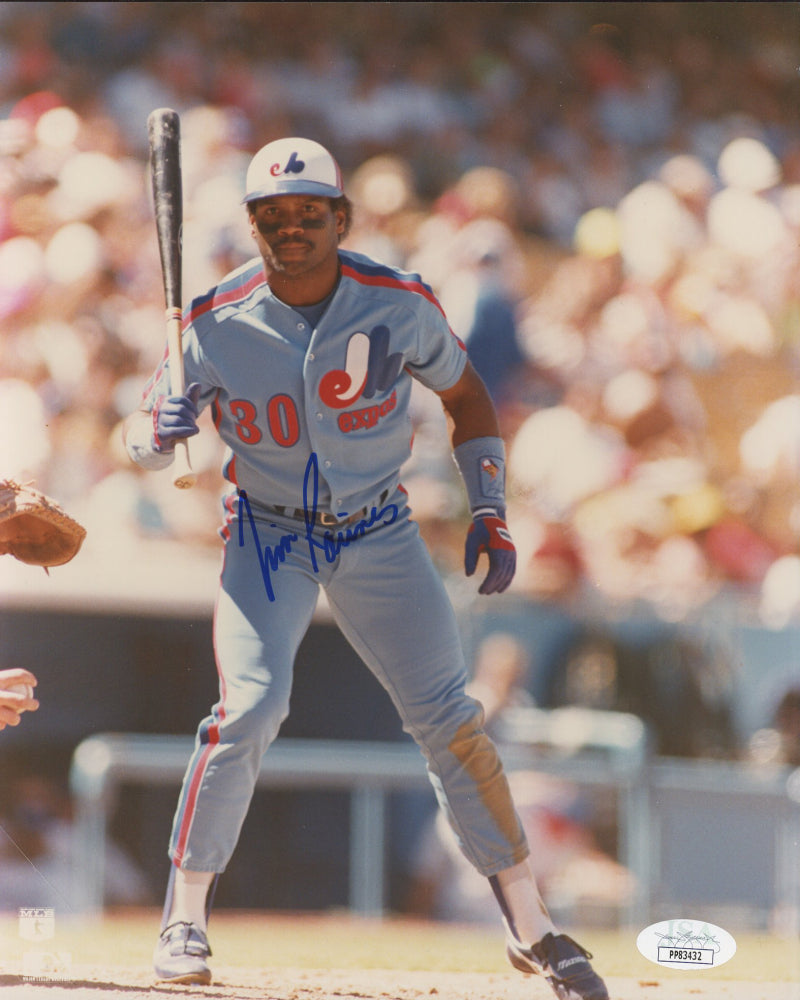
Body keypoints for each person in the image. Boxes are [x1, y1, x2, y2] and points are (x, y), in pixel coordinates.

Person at [123, 137, 608, 1000]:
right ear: (253, 224)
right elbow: (139, 431)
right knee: (250, 706)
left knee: (450, 720)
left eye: (311, 212)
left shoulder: (398, 301)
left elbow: (466, 396)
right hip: (267, 533)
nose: (293, 228)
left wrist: (489, 507)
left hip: (378, 527)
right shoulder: (210, 320)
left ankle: (532, 926)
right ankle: (184, 915)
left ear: (341, 219)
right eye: (274, 215)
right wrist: (151, 426)